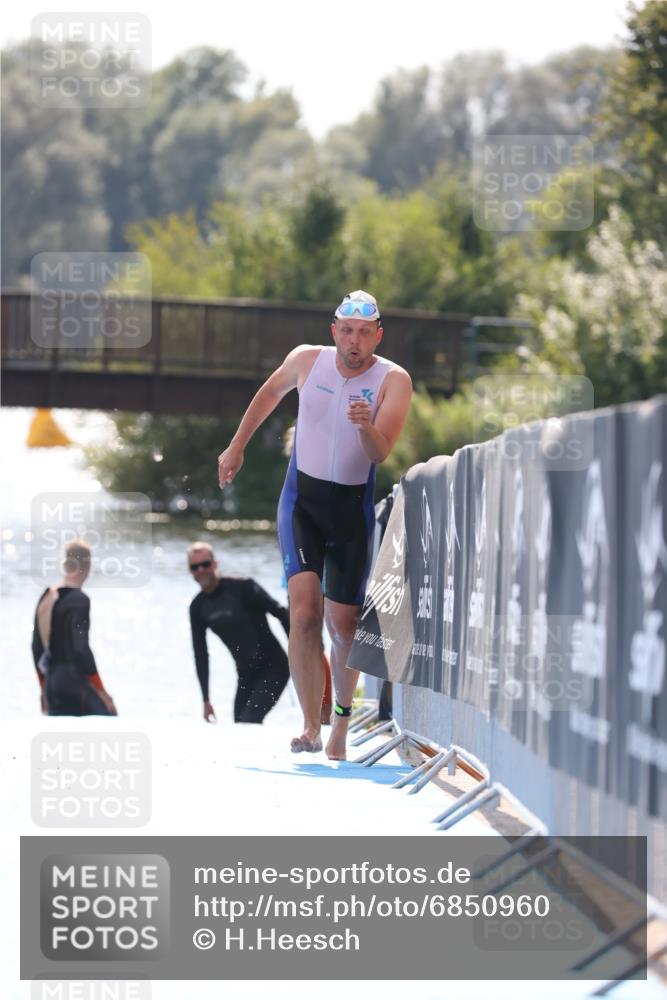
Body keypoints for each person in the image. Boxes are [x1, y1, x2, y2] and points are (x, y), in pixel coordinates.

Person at [217, 290, 413, 759]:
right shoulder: (308, 359)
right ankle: (310, 725)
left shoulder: (394, 379)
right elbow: (269, 394)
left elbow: (379, 452)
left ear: (378, 336)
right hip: (300, 504)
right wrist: (236, 446)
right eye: (346, 331)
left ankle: (340, 722)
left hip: (350, 512)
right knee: (304, 613)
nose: (354, 341)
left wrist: (365, 426)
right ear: (334, 331)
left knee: (343, 627)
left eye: (363, 333)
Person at [188, 541, 291, 723]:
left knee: (248, 720)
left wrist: (298, 654)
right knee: (239, 725)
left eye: (205, 564)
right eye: (195, 567)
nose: (201, 570)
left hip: (275, 668)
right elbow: (200, 654)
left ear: (215, 564)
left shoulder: (243, 587)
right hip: (245, 675)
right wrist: (206, 699)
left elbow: (281, 613)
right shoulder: (198, 607)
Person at [31, 539, 117, 716]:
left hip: (51, 685)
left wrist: (43, 688)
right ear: (87, 566)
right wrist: (102, 691)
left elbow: (36, 647)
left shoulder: (46, 595)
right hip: (73, 683)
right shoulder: (79, 600)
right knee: (110, 718)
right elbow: (81, 649)